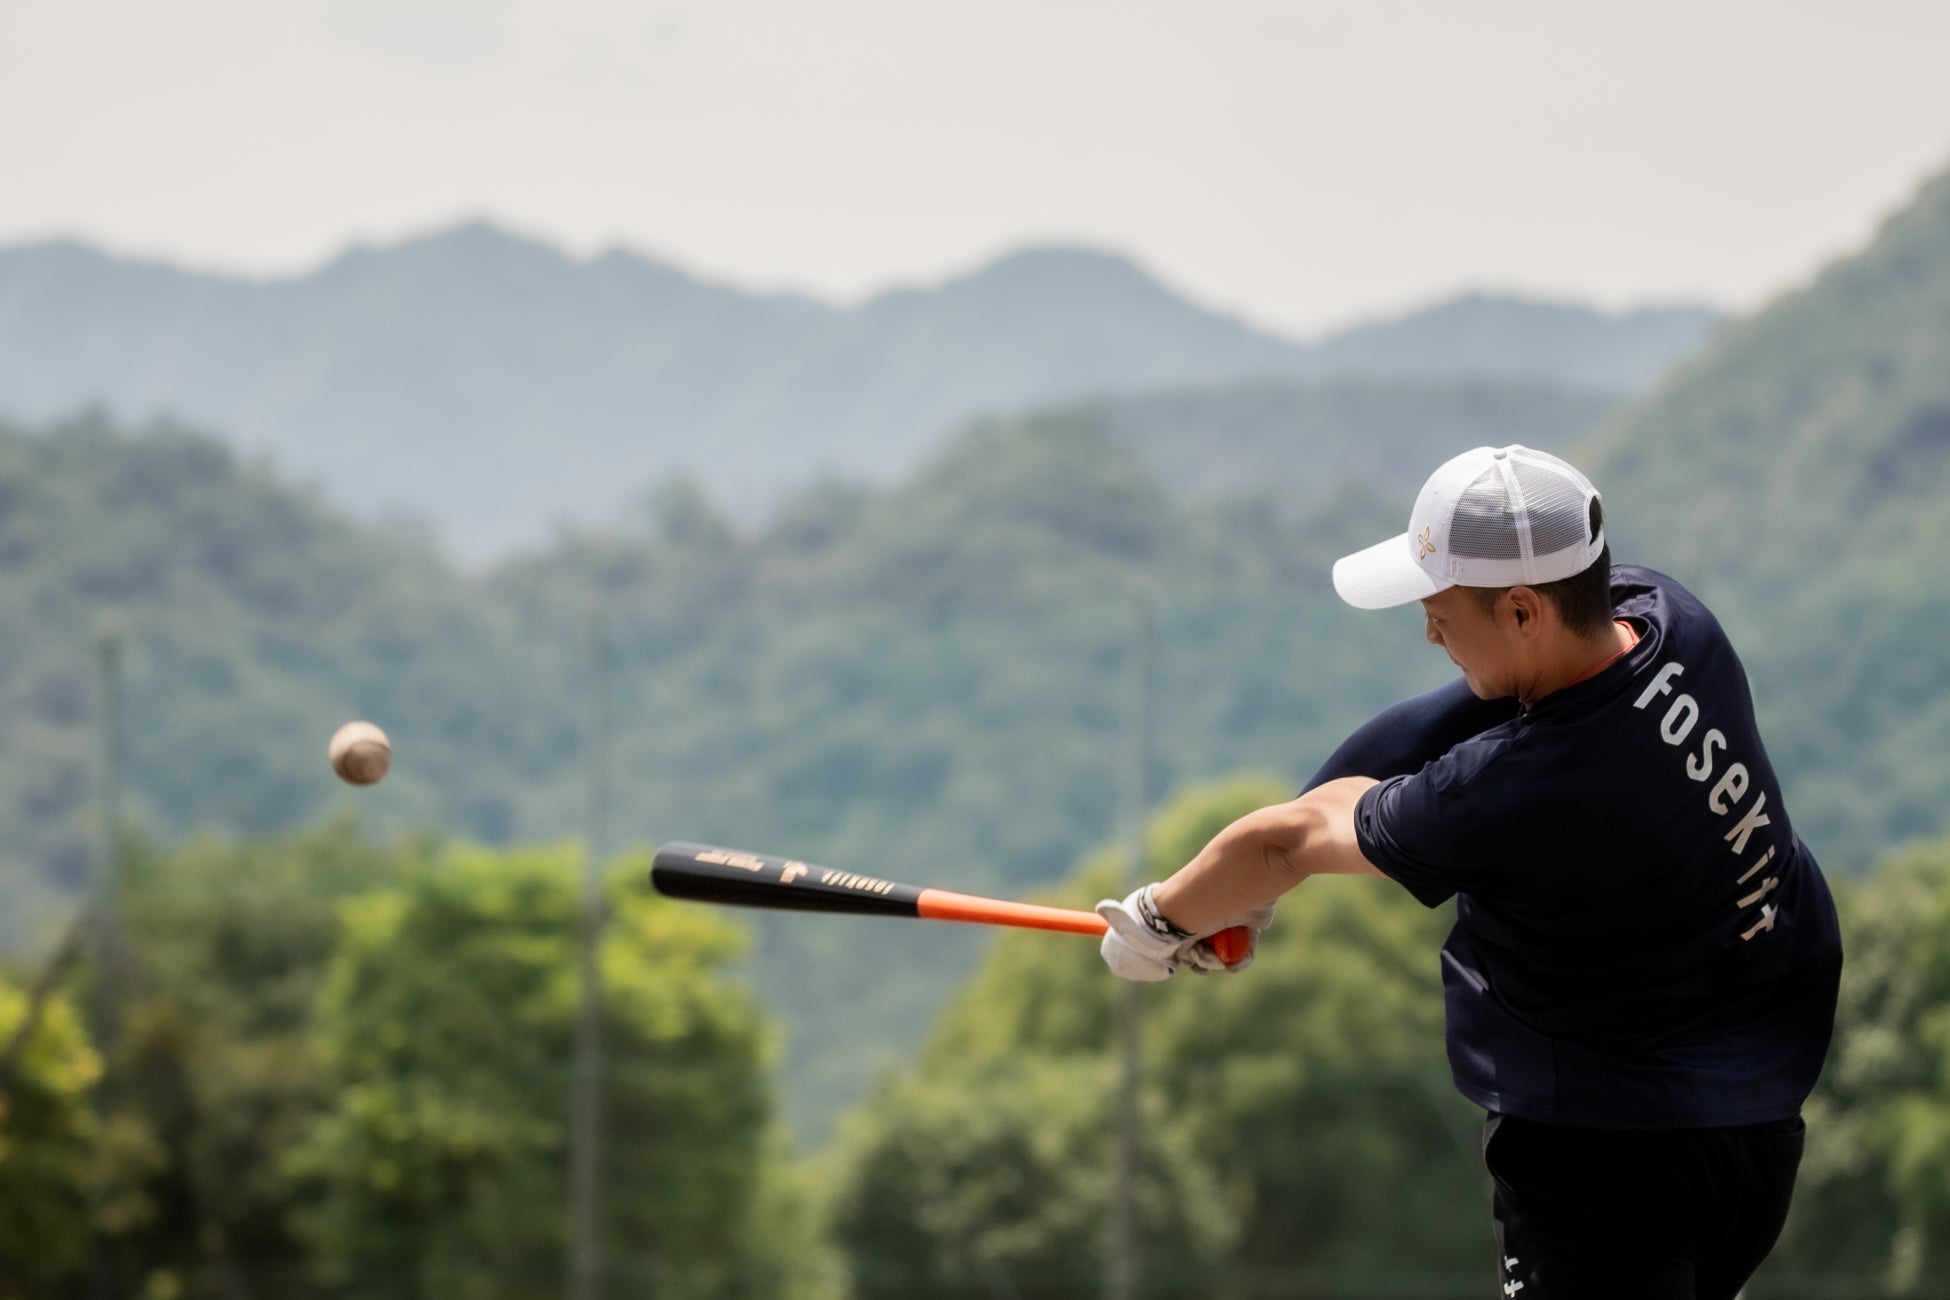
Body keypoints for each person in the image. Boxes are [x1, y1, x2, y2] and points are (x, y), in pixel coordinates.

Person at [1097, 444, 1843, 1299]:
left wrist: (1159, 921)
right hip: (1753, 1126)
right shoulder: (1669, 622)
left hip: (1606, 1166)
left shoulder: (1517, 792)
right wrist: (1250, 890)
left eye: (1442, 611)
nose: (1429, 630)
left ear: (1525, 610)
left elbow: (1284, 842)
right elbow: (1427, 731)